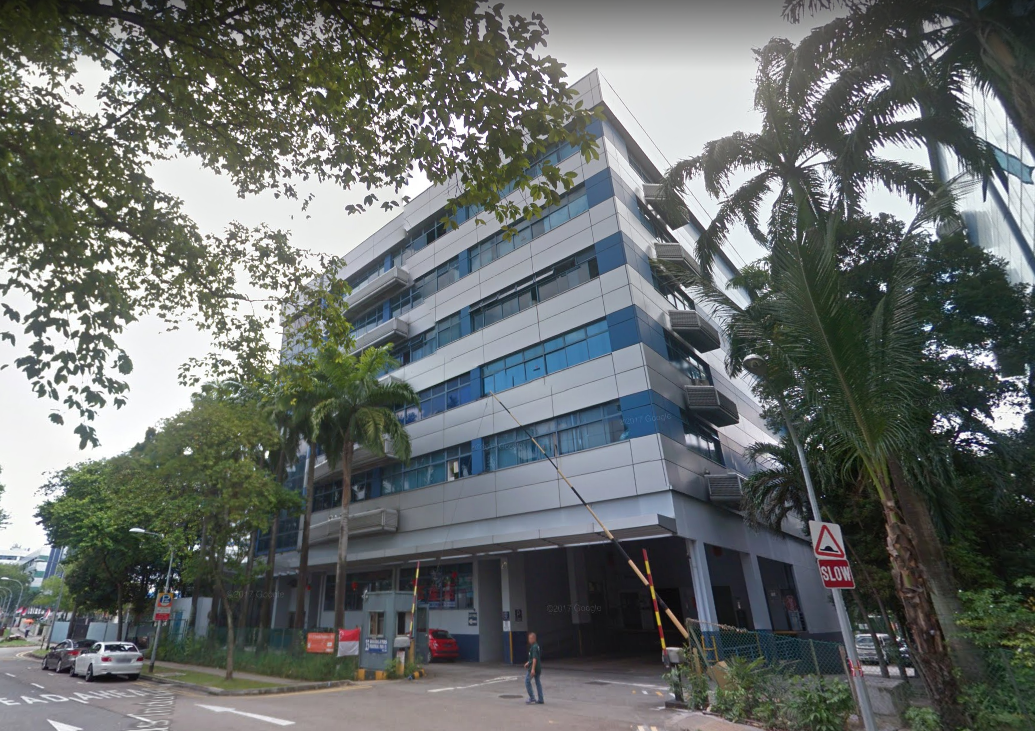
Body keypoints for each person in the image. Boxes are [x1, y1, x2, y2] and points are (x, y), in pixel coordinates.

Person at [524, 631, 543, 705]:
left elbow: (535, 658)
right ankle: (541, 699)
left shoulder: (534, 647)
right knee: (538, 682)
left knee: (527, 681)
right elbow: (532, 658)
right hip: (538, 667)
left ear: (533, 639)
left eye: (530, 638)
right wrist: (528, 662)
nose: (529, 640)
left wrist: (532, 669)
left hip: (534, 668)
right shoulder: (536, 646)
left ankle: (532, 698)